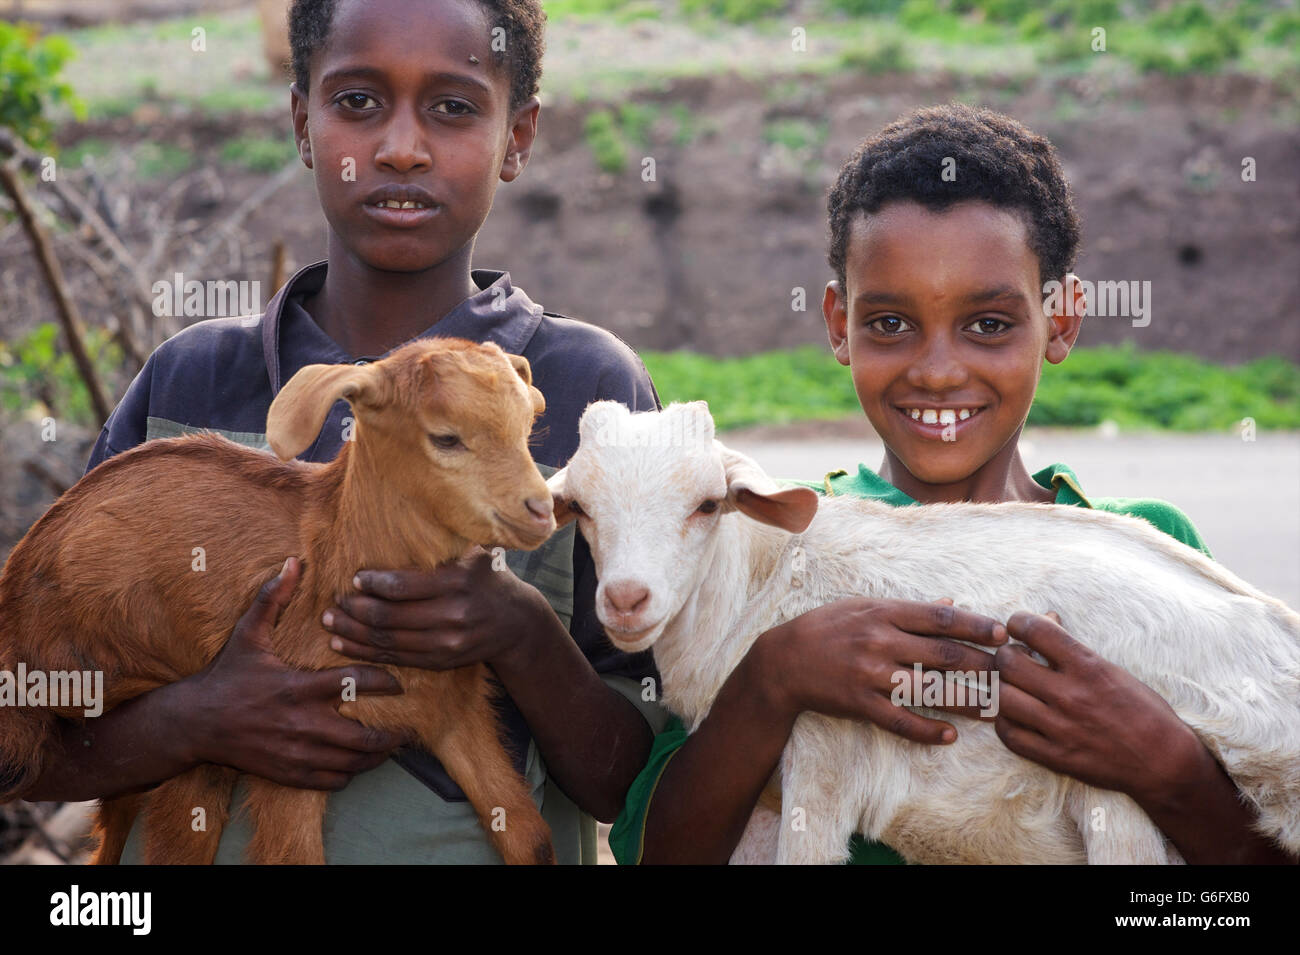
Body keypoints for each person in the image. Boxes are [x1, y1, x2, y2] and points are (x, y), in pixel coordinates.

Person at [17, 0, 667, 864]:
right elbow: (22, 737)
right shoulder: (192, 379)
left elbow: (646, 780)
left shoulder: (595, 393)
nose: (401, 147)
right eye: (358, 102)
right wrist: (192, 719)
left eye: (454, 106)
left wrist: (518, 631)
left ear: (518, 138)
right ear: (302, 122)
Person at [611, 104, 1297, 865]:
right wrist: (774, 677)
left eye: (990, 325)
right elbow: (658, 850)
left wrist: (1167, 767)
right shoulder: (766, 546)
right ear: (839, 323)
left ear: (1061, 320)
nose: (937, 370)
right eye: (891, 324)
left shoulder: (1145, 550)